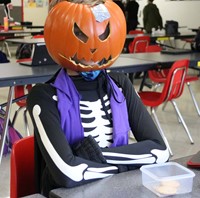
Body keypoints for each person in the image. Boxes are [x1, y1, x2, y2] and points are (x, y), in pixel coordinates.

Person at [27, 0, 169, 196]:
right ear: (55, 31)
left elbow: (160, 152)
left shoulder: (120, 85)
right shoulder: (44, 96)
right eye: (79, 33)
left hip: (119, 190)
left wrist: (89, 157)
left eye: (103, 34)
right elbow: (69, 174)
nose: (93, 46)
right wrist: (130, 163)